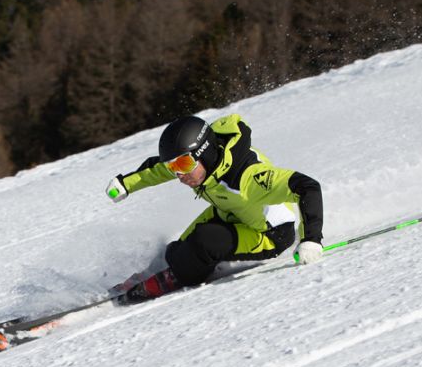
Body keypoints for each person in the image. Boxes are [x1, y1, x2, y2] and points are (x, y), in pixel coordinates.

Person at [105, 113, 324, 303]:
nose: (179, 175)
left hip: (268, 233)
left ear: (205, 153)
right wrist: (126, 184)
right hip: (230, 213)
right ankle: (150, 274)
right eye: (174, 167)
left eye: (183, 165)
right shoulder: (205, 167)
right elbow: (158, 169)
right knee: (177, 248)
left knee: (205, 241)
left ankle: (176, 277)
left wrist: (311, 240)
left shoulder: (249, 178)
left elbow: (307, 187)